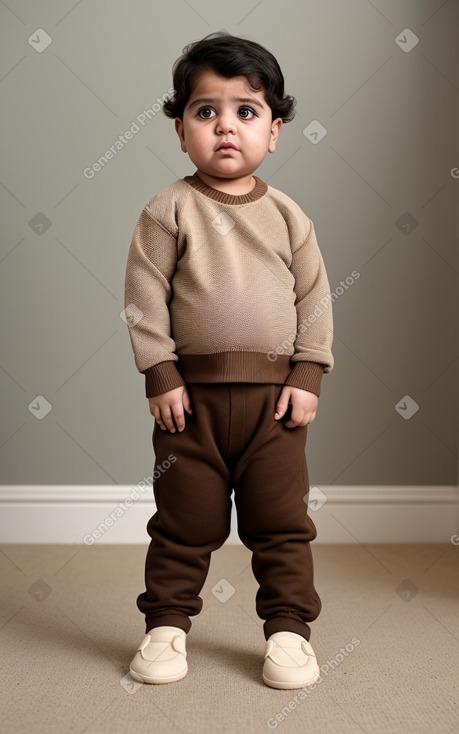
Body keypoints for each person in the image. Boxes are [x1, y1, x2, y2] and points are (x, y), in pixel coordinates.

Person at [124, 31, 334, 690]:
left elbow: (315, 299)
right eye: (204, 111)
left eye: (244, 111)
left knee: (281, 525)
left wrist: (307, 373)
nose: (224, 127)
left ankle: (288, 632)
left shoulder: (286, 216)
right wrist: (159, 372)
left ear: (273, 131)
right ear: (180, 130)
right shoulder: (168, 210)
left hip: (275, 406)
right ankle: (165, 625)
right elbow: (142, 299)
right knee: (184, 521)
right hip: (191, 405)